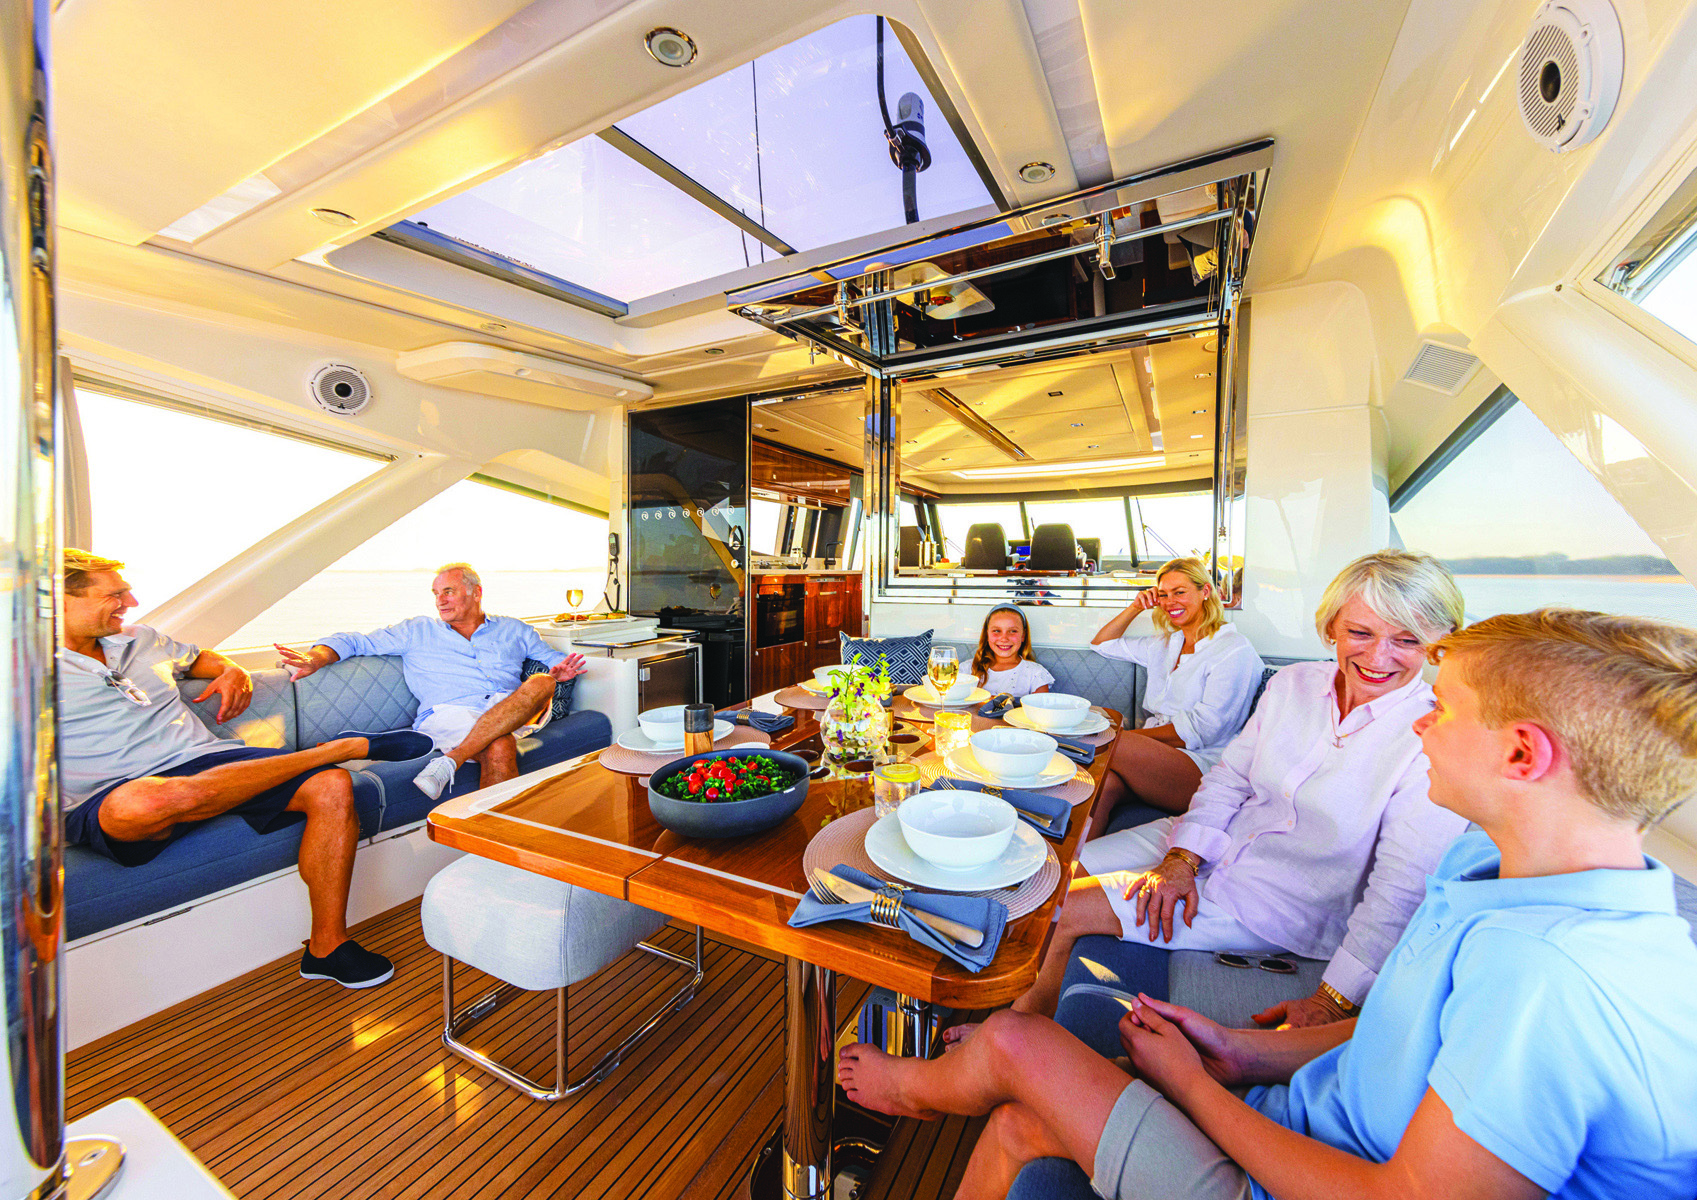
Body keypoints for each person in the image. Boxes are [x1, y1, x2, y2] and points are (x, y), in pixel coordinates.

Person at [839, 608, 1697, 1200]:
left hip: (1310, 1174)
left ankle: (919, 1092)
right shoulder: (1495, 873)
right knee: (1019, 1128)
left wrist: (1195, 1086)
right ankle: (937, 1085)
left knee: (1022, 1041)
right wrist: (1245, 1054)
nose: (1419, 724)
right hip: (1306, 1109)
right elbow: (1424, 1036)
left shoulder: (1557, 978)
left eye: (1440, 710)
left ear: (1521, 754)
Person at [1012, 550, 1468, 1026]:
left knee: (1068, 908)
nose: (1377, 657)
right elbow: (1229, 779)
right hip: (1212, 834)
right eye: (1360, 632)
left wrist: (1334, 998)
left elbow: (1402, 887)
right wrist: (1181, 858)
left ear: (1438, 645)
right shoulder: (1293, 685)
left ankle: (1017, 1029)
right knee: (1047, 878)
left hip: (1275, 900)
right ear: (1331, 627)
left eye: (1407, 640)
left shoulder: (1432, 736)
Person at [58, 550, 426, 989]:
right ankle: (335, 749)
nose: (131, 602)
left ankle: (327, 947)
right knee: (140, 803)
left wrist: (232, 669)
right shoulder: (19, 670)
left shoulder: (140, 639)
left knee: (332, 786)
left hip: (206, 758)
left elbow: (198, 660)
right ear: (54, 601)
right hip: (111, 792)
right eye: (114, 595)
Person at [278, 562, 587, 801]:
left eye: (448, 591)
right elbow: (354, 642)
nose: (440, 601)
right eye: (436, 594)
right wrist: (315, 658)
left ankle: (451, 760)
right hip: (449, 715)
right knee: (500, 745)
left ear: (475, 592)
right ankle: (497, 851)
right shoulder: (417, 631)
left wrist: (560, 671)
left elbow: (551, 659)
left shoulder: (514, 629)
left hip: (511, 711)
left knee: (543, 683)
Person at [1087, 558, 1265, 826]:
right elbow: (1102, 644)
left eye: (1179, 592)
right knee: (1100, 788)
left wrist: (1129, 741)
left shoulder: (1234, 650)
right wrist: (1135, 608)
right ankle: (1072, 865)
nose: (1170, 602)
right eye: (1163, 595)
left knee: (1099, 740)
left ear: (1205, 591)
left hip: (1203, 765)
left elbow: (1204, 729)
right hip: (1151, 759)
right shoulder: (1166, 643)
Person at [974, 606, 1054, 697]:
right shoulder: (967, 669)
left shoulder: (1036, 674)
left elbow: (1040, 709)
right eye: (996, 631)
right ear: (987, 634)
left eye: (1012, 631)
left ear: (1023, 635)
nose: (1004, 638)